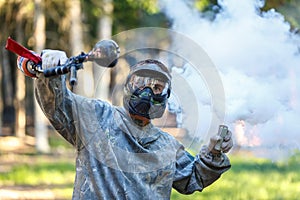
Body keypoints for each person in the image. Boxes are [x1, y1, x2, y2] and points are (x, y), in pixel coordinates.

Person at [27, 49, 233, 199]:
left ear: (166, 96)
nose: (147, 91)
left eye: (157, 87)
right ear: (128, 86)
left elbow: (193, 178)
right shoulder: (96, 117)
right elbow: (56, 105)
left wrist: (213, 154)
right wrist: (50, 73)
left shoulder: (167, 146)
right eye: (140, 83)